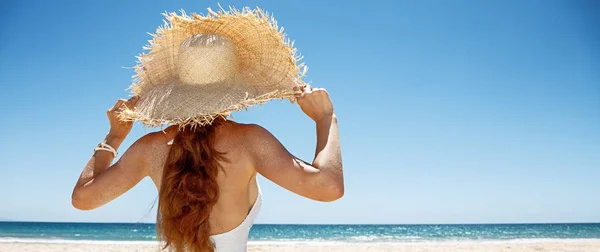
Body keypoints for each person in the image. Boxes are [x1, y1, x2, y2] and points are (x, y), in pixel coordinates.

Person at [71, 84, 343, 251]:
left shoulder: (150, 148)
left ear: (173, 91)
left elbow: (83, 199)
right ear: (230, 87)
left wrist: (114, 136)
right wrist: (325, 118)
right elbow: (329, 187)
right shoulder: (249, 141)